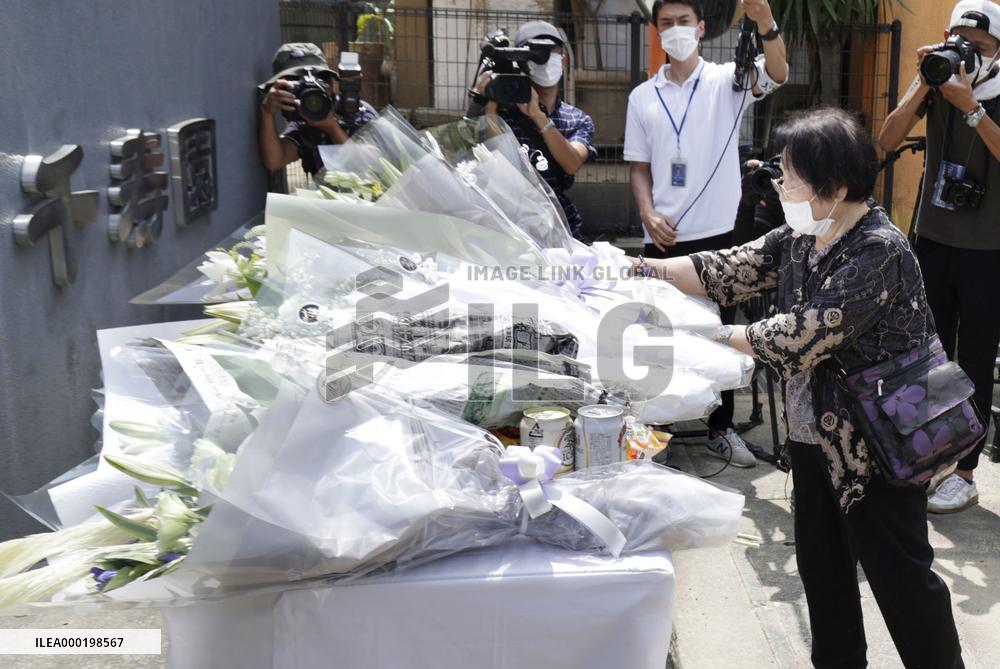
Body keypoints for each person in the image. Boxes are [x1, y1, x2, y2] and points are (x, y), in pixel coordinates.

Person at [635, 107, 964, 669]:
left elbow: (802, 335)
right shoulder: (798, 237)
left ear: (835, 187)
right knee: (825, 579)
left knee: (903, 584)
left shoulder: (878, 250)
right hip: (815, 442)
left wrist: (705, 330)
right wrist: (637, 270)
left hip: (879, 447)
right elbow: (724, 269)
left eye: (790, 176)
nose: (780, 186)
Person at [624, 0, 788, 466]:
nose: (675, 30)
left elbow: (777, 71)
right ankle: (659, 431)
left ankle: (721, 427)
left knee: (718, 332)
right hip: (663, 237)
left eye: (683, 22)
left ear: (700, 28)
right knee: (659, 335)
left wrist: (766, 24)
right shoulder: (643, 97)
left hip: (719, 234)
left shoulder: (727, 80)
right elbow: (638, 167)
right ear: (657, 32)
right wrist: (648, 213)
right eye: (666, 24)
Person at [879, 0, 1000, 514]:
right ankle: (928, 456)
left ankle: (966, 471)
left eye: (979, 44)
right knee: (927, 354)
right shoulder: (939, 76)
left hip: (989, 246)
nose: (967, 51)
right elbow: (884, 140)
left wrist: (972, 106)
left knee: (972, 357)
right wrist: (923, 85)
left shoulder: (985, 90)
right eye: (959, 39)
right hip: (933, 237)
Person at [468, 21, 597, 240]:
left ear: (563, 60)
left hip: (559, 224)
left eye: (550, 53)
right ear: (522, 62)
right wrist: (486, 104)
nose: (544, 60)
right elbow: (489, 159)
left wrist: (538, 116)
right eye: (534, 55)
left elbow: (572, 162)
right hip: (507, 225)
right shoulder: (502, 111)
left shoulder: (576, 118)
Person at [258, 43, 378, 175]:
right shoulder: (303, 122)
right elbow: (274, 161)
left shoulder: (357, 112)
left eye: (320, 80)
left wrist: (332, 128)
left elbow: (371, 168)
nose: (308, 92)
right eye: (297, 85)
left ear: (331, 84)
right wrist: (267, 113)